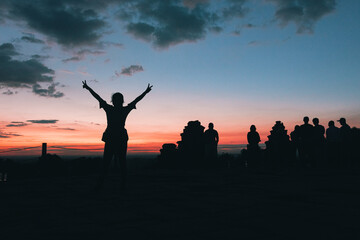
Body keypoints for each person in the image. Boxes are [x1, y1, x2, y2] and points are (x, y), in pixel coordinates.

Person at [82, 80, 152, 189]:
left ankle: (104, 185)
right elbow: (136, 100)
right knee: (119, 161)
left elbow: (98, 97)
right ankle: (119, 185)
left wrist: (88, 88)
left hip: (113, 137)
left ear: (114, 101)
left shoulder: (109, 109)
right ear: (120, 101)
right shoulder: (123, 109)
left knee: (109, 162)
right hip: (118, 137)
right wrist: (146, 92)